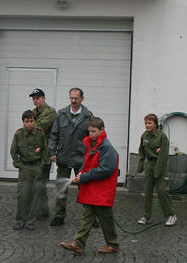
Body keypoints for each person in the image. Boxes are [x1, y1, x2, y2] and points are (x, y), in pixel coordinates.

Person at [60, 117, 120, 254]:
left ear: (102, 130)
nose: (91, 134)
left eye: (94, 131)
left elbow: (106, 169)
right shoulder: (92, 144)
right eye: (89, 131)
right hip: (93, 188)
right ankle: (79, 243)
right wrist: (80, 174)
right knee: (88, 216)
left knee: (106, 218)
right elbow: (88, 163)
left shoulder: (107, 148)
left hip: (102, 190)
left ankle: (113, 243)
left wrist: (85, 176)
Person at [48, 87, 93, 226]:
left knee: (85, 189)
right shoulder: (61, 115)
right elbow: (54, 134)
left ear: (82, 99)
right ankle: (59, 216)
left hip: (81, 158)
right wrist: (52, 152)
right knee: (61, 188)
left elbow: (93, 137)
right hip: (64, 156)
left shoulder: (88, 116)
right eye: (71, 98)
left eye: (76, 98)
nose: (73, 101)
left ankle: (91, 217)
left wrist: (91, 156)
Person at [10, 110, 49, 230]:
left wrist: (42, 165)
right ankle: (20, 220)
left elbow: (45, 151)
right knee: (23, 194)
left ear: (35, 121)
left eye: (31, 121)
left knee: (36, 195)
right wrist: (19, 165)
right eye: (27, 121)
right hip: (25, 168)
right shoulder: (18, 134)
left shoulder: (40, 133)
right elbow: (13, 151)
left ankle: (30, 220)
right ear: (23, 122)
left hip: (37, 167)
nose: (29, 124)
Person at [136, 113, 177, 226]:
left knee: (162, 191)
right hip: (149, 165)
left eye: (150, 123)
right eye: (146, 123)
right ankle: (147, 216)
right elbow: (141, 151)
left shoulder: (162, 136)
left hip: (160, 165)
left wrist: (158, 171)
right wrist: (140, 165)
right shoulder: (144, 136)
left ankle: (171, 215)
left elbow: (163, 155)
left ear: (155, 124)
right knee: (148, 192)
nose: (147, 125)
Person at [30, 88, 56, 219]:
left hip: (45, 152)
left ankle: (42, 209)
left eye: (38, 98)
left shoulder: (50, 112)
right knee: (35, 180)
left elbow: (39, 128)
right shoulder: (34, 112)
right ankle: (39, 208)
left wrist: (30, 125)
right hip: (34, 151)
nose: (35, 101)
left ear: (44, 98)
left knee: (41, 181)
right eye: (34, 98)